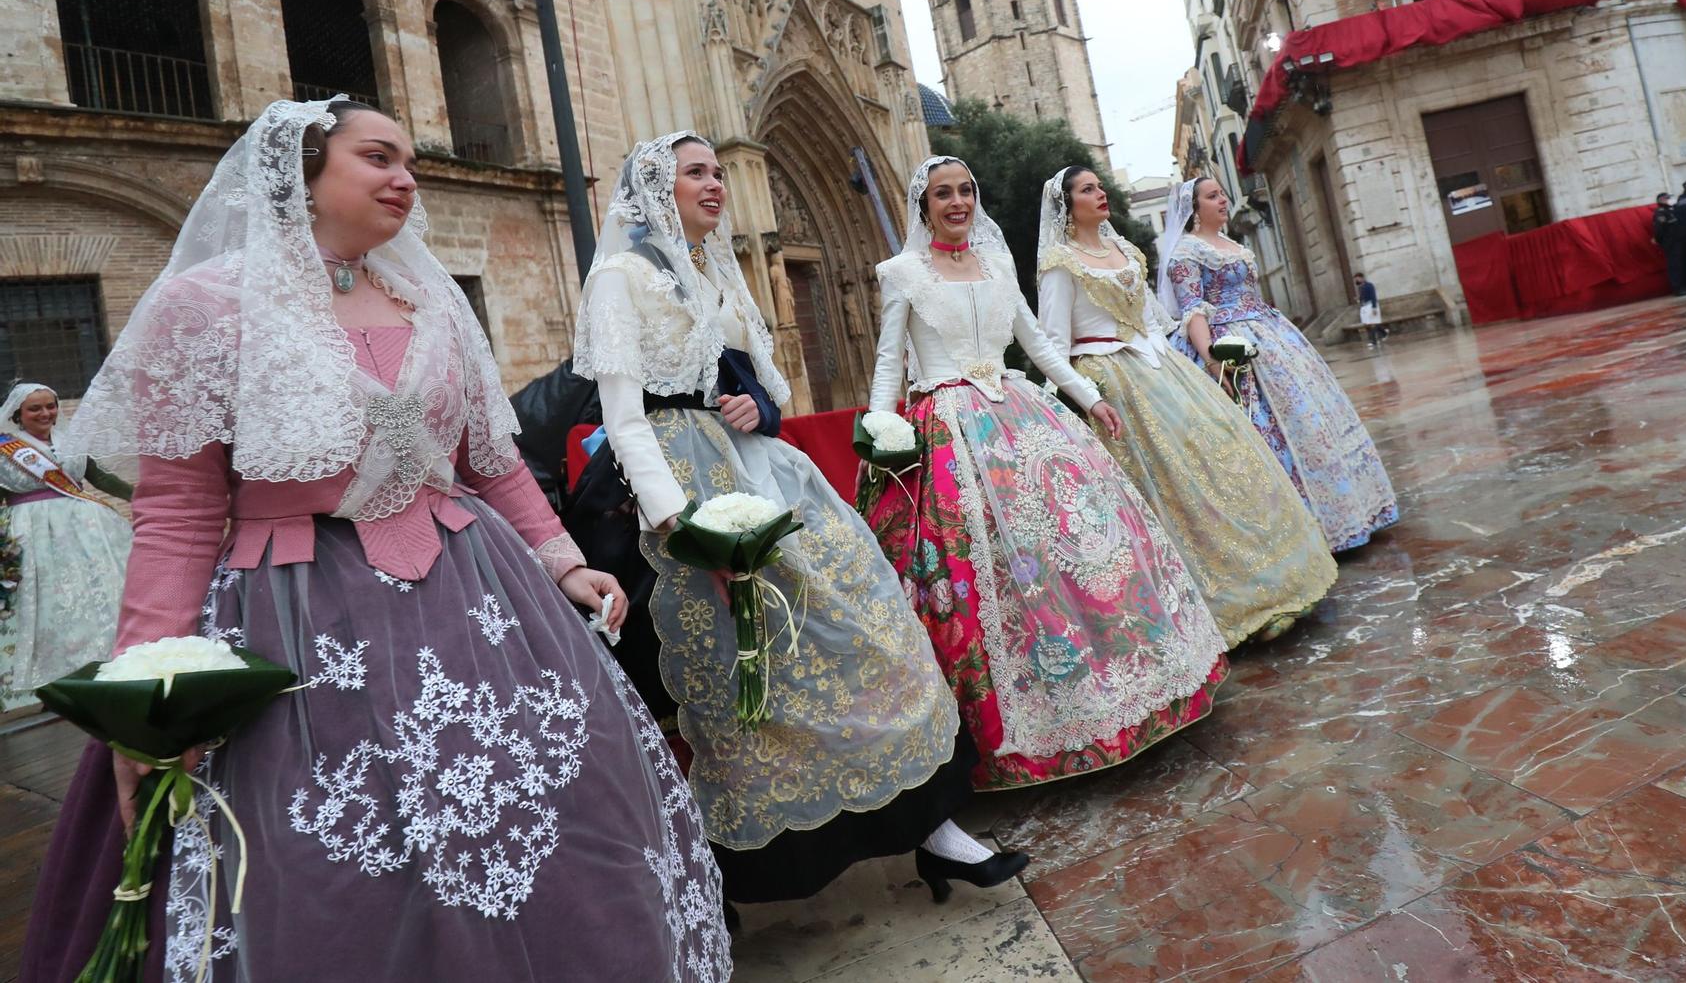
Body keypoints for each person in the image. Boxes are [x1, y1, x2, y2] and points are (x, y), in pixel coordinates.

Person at [23, 100, 730, 982]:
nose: (406, 175)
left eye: (410, 160)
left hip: (481, 604)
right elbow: (179, 511)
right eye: (378, 156)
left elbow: (491, 464)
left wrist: (565, 559)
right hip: (298, 620)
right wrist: (151, 691)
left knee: (547, 823)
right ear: (305, 172)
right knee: (338, 871)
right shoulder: (207, 304)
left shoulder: (429, 299)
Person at [570, 132, 1013, 908]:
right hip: (680, 491)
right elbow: (625, 418)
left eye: (717, 172)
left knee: (872, 624)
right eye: (695, 173)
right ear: (655, 189)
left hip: (755, 468)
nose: (715, 184)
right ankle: (738, 879)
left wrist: (756, 404)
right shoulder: (619, 277)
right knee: (757, 675)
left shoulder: (714, 269)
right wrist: (685, 528)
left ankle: (934, 826)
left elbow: (757, 385)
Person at [858, 156, 1227, 792]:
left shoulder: (998, 264)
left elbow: (1039, 345)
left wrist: (1090, 397)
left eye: (966, 190)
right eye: (942, 194)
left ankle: (1129, 694)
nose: (957, 202)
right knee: (999, 566)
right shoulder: (900, 274)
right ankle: (1024, 730)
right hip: (947, 424)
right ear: (923, 208)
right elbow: (890, 361)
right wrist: (879, 431)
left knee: (1083, 543)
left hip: (1021, 415)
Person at [1034, 166, 1336, 647]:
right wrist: (1089, 398)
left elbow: (1154, 318)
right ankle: (1202, 608)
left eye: (1099, 185)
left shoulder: (1126, 251)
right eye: (1087, 189)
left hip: (1161, 370)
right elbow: (1051, 344)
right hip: (1109, 379)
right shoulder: (1059, 263)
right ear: (1067, 207)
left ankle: (1271, 581)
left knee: (1220, 464)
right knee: (1167, 490)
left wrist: (1182, 358)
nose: (1100, 193)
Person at [1160, 177, 1398, 552]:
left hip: (1271, 336)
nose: (1223, 200)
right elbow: (1193, 311)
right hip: (1231, 344)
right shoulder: (1186, 254)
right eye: (1212, 196)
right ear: (1193, 209)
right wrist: (1211, 360)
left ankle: (1344, 513)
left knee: (1308, 419)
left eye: (1222, 193)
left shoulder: (1232, 244)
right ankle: (1296, 535)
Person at [0, 382, 133, 699]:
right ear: (19, 414)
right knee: (52, 599)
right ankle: (60, 675)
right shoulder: (6, 450)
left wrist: (140, 497)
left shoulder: (70, 440)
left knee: (100, 592)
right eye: (36, 408)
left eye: (51, 406)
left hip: (90, 530)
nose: (46, 413)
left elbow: (98, 478)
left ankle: (112, 660)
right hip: (33, 535)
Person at [1650, 192, 1686, 295]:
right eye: (1667, 198)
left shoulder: (1670, 210)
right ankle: (1678, 288)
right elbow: (1659, 229)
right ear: (1661, 200)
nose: (1669, 200)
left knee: (1682, 263)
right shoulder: (1660, 212)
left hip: (1678, 241)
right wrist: (1659, 240)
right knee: (1674, 265)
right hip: (1670, 243)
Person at [1354, 273, 1385, 350]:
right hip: (1364, 307)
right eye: (1356, 279)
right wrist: (1358, 299)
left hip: (1371, 305)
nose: (1357, 280)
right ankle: (1384, 333)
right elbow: (1362, 297)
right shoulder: (1360, 287)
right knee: (1368, 323)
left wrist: (1374, 308)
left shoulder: (1369, 285)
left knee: (1373, 323)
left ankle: (1373, 341)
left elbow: (1373, 296)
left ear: (1362, 278)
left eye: (1357, 278)